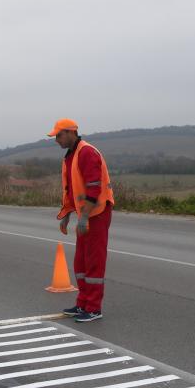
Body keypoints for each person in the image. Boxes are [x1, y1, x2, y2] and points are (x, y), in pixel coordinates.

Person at [48, 118, 115, 323]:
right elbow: (71, 191)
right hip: (85, 213)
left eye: (58, 135)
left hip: (97, 212)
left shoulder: (86, 152)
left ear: (70, 132)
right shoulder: (71, 156)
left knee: (94, 261)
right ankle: (83, 303)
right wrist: (66, 215)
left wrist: (84, 217)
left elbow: (94, 187)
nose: (56, 140)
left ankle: (94, 308)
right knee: (81, 261)